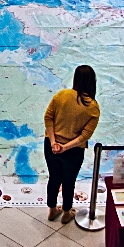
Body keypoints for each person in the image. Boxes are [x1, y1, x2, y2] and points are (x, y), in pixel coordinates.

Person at [43, 65, 101, 224]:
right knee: (69, 181)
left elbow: (48, 118)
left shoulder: (62, 95)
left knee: (54, 178)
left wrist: (54, 142)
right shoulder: (93, 107)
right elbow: (85, 136)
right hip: (73, 152)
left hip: (51, 146)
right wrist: (66, 147)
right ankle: (67, 212)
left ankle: (52, 210)